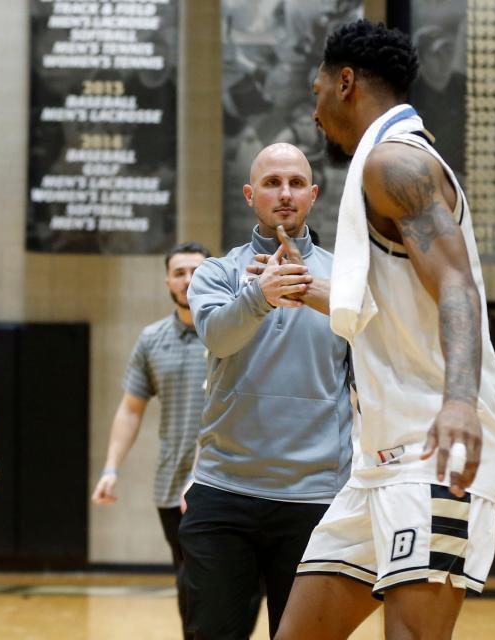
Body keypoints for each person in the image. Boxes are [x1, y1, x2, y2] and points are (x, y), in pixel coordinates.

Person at [271, 20, 495, 640]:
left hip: (432, 449)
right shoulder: (379, 167)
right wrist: (303, 289)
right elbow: (387, 305)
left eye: (318, 86)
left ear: (345, 82)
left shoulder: (394, 160)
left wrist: (460, 401)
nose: (314, 104)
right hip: (376, 459)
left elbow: (456, 283)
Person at [181, 142, 353, 639]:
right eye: (273, 183)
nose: (285, 194)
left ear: (314, 195)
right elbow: (218, 335)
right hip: (223, 492)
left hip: (316, 499)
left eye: (296, 183)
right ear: (249, 194)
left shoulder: (345, 277)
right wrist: (259, 296)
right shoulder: (217, 272)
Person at [90, 241, 211, 640]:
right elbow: (130, 409)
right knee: (189, 578)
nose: (188, 280)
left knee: (225, 580)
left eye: (196, 271)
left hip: (229, 479)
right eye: (179, 272)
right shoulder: (152, 339)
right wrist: (111, 468)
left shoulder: (233, 330)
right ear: (167, 280)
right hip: (173, 486)